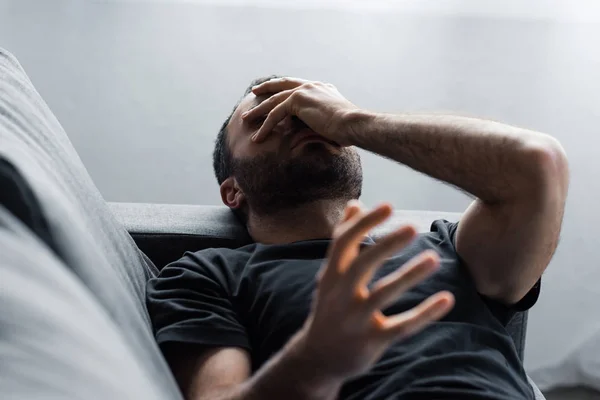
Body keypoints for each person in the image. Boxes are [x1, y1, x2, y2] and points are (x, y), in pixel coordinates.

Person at [147, 76, 569, 400]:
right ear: (232, 190)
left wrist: (351, 120)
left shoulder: (449, 250)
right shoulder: (207, 275)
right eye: (265, 119)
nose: (295, 121)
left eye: (304, 111)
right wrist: (316, 361)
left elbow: (537, 164)